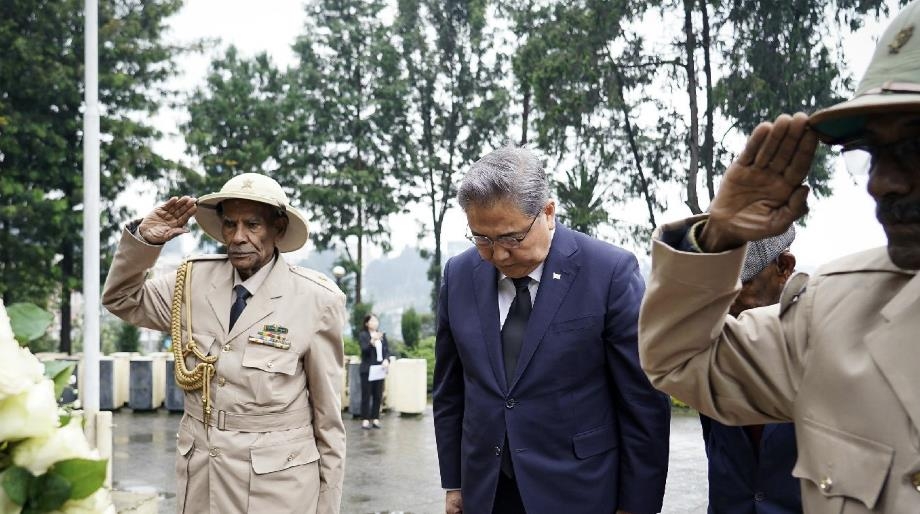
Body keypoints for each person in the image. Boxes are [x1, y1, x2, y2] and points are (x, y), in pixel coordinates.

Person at [639, 2, 920, 511]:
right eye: (872, 152)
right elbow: (681, 361)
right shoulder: (831, 318)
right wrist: (718, 236)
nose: (882, 182)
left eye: (916, 147)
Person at [433, 146, 671, 514]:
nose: (498, 255)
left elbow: (642, 402)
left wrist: (636, 504)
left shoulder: (608, 272)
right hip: (488, 489)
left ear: (548, 213)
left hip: (579, 488)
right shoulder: (459, 275)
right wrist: (454, 482)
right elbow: (450, 391)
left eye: (512, 238)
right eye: (482, 238)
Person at [102, 173, 347, 513]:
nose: (238, 237)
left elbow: (328, 421)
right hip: (202, 481)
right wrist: (145, 241)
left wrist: (327, 506)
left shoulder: (317, 300)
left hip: (278, 489)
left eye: (252, 225)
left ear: (277, 228)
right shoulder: (190, 281)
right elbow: (122, 298)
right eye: (230, 224)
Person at [698, 227, 803, 514]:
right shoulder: (710, 342)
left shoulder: (825, 339)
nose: (724, 299)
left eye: (739, 284)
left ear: (784, 267)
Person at [358, 313, 390, 429]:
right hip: (367, 369)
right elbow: (364, 350)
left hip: (379, 369)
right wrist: (372, 340)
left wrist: (386, 360)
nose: (375, 323)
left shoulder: (382, 335)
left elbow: (387, 350)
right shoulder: (363, 335)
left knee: (378, 395)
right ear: (367, 323)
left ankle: (375, 419)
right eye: (372, 321)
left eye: (376, 321)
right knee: (366, 395)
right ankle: (365, 419)